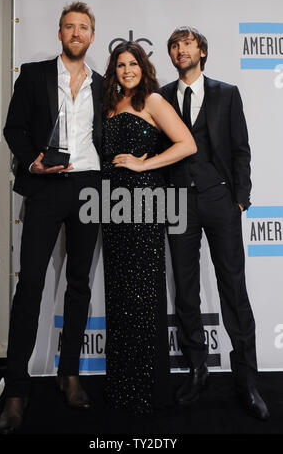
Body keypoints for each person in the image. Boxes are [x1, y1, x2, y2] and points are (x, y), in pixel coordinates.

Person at [0, 2, 103, 434]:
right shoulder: (35, 73)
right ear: (59, 34)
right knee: (32, 286)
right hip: (45, 187)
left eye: (83, 28)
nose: (76, 33)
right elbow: (14, 129)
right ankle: (17, 390)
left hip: (90, 188)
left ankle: (70, 374)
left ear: (92, 37)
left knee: (79, 283)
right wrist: (33, 161)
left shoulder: (103, 83)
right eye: (69, 27)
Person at [159, 26, 270, 420]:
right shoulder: (162, 97)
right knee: (186, 291)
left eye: (187, 43)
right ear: (170, 55)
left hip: (221, 199)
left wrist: (240, 199)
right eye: (174, 45)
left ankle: (247, 380)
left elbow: (241, 149)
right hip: (178, 203)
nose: (180, 49)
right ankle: (197, 369)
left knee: (234, 290)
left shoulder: (227, 93)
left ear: (202, 51)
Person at [101, 41, 197, 414]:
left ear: (144, 67)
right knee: (121, 295)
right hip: (111, 209)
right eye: (121, 65)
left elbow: (186, 143)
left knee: (143, 295)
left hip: (143, 206)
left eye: (133, 64)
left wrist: (145, 165)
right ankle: (122, 385)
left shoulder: (153, 101)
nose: (127, 70)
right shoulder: (109, 106)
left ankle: (145, 390)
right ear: (114, 70)